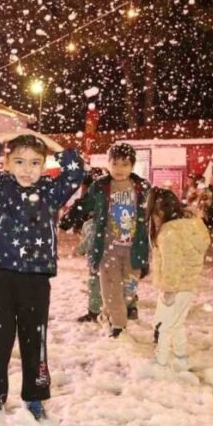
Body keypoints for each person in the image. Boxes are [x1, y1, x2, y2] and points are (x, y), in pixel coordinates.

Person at [0, 127, 84, 421]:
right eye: (19, 161)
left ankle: (35, 396)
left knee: (35, 339)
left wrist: (50, 143)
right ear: (6, 164)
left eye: (35, 162)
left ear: (44, 166)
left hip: (36, 277)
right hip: (0, 275)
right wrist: (3, 139)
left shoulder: (50, 191)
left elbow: (75, 171)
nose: (27, 170)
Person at [65, 143, 151, 336]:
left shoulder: (142, 187)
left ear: (132, 165)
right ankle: (118, 325)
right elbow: (84, 204)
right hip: (108, 248)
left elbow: (153, 213)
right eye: (115, 163)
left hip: (133, 249)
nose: (119, 169)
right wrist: (66, 221)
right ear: (108, 164)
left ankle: (112, 312)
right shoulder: (101, 186)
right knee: (110, 288)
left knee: (128, 291)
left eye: (125, 164)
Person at [148, 188, 208, 371]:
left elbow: (172, 264)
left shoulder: (169, 233)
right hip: (188, 285)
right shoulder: (191, 225)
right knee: (177, 324)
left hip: (174, 287)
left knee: (163, 325)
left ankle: (161, 361)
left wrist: (169, 289)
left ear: (160, 212)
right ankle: (181, 357)